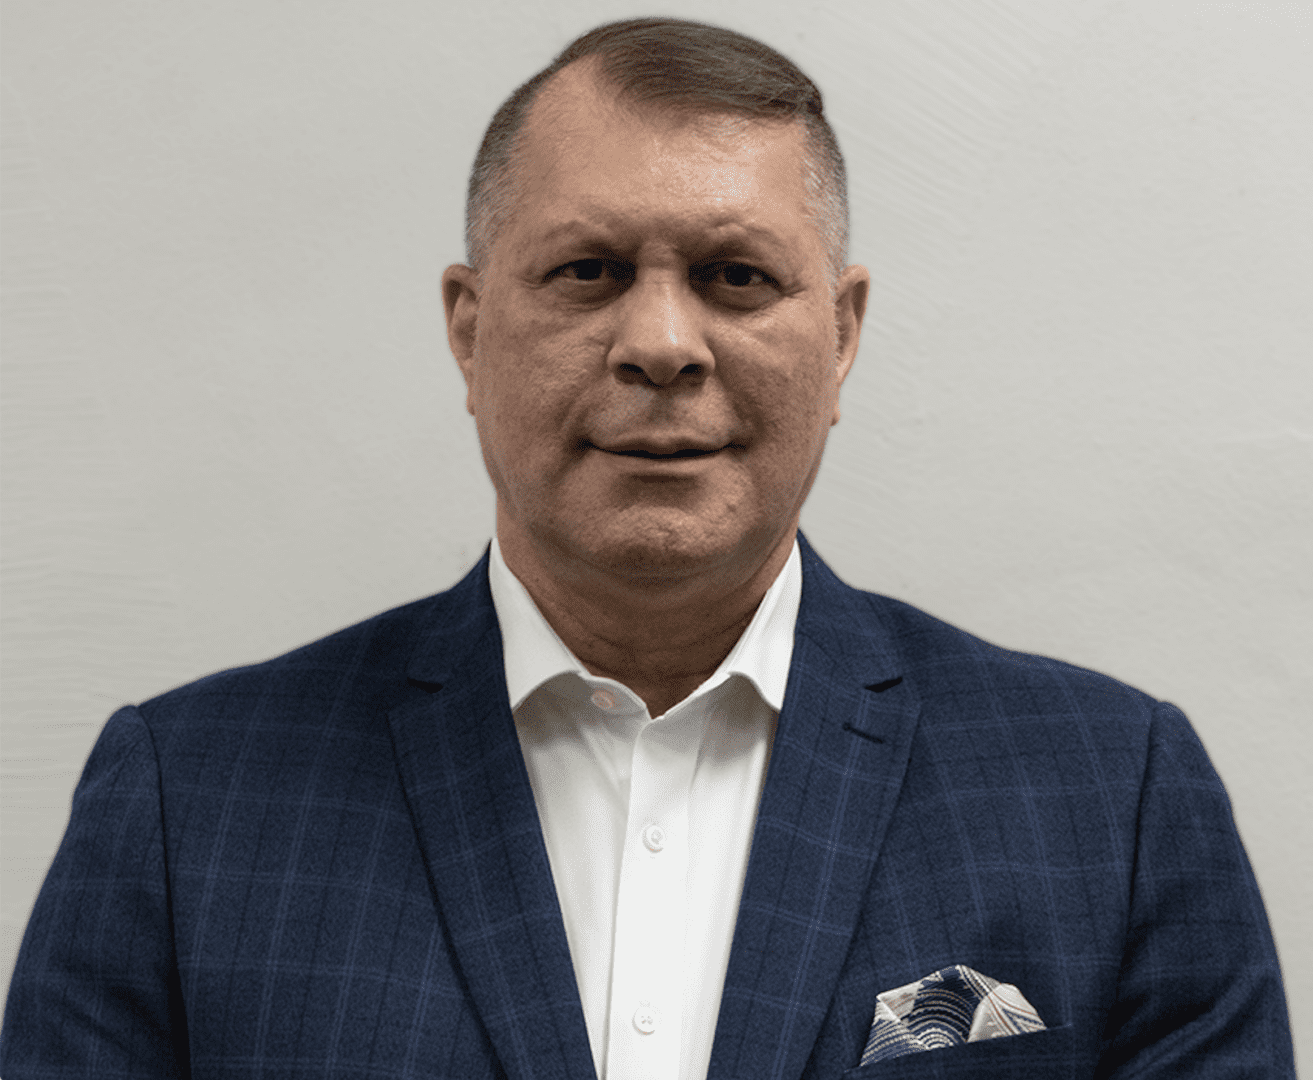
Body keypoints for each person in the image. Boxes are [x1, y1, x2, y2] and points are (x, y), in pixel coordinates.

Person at [0, 16, 1293, 1079]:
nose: (662, 343)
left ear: (841, 335)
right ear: (468, 327)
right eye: (588, 272)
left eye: (736, 276)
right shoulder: (189, 802)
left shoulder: (1108, 793)